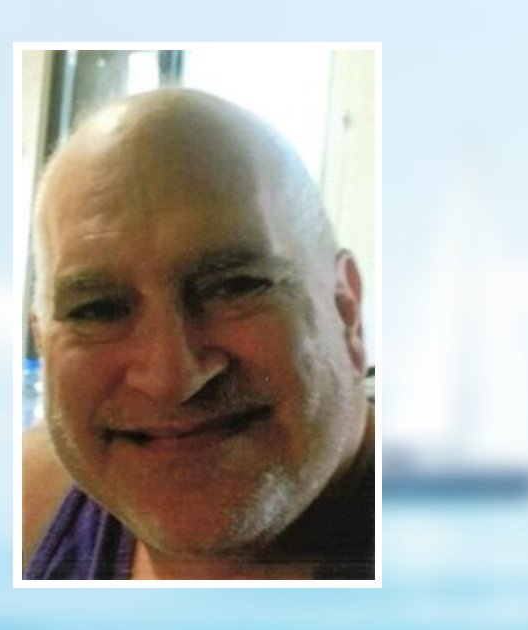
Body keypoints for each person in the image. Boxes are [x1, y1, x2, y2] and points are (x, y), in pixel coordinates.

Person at [22, 88, 373, 580]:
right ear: (43, 343)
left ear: (346, 310)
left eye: (234, 286)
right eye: (98, 310)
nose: (171, 378)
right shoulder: (26, 508)